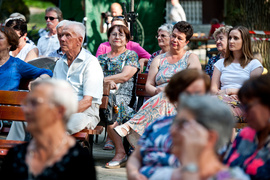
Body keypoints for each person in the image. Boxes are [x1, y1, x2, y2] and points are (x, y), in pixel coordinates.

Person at [113, 21, 201, 162]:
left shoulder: (191, 58)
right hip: (159, 99)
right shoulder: (159, 59)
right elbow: (149, 85)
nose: (174, 40)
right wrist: (156, 91)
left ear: (187, 42)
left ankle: (131, 127)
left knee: (167, 94)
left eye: (179, 38)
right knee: (164, 97)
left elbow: (194, 83)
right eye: (173, 36)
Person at [0, 79, 96, 179]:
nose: (26, 109)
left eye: (35, 103)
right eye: (27, 103)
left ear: (59, 111)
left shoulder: (79, 159)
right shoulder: (15, 155)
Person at [126, 69, 210, 180]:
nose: (191, 98)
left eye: (198, 93)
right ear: (174, 95)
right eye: (186, 93)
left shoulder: (210, 130)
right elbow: (136, 157)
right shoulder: (157, 125)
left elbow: (222, 170)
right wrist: (133, 173)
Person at [150, 94, 249, 180]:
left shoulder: (234, 177)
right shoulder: (162, 175)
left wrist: (190, 166)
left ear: (210, 138)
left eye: (182, 124)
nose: (172, 130)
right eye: (175, 122)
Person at [98, 24, 140, 168]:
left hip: (123, 96)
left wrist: (105, 81)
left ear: (127, 39)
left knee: (111, 105)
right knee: (103, 102)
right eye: (114, 34)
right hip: (102, 94)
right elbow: (92, 77)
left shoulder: (131, 55)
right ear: (108, 38)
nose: (117, 37)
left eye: (121, 35)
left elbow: (124, 76)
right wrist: (106, 86)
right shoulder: (101, 58)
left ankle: (120, 153)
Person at [53, 21, 104, 135]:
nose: (62, 39)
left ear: (80, 40)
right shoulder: (60, 63)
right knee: (23, 120)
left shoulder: (91, 63)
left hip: (84, 113)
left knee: (65, 123)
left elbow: (87, 102)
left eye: (67, 35)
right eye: (61, 35)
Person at [223, 74, 270, 180]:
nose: (244, 114)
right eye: (242, 107)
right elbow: (225, 170)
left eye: (248, 107)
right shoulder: (245, 134)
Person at [0, 25, 52, 91]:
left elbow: (46, 72)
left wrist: (39, 80)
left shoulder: (16, 64)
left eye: (0, 38)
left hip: (9, 100)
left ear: (10, 44)